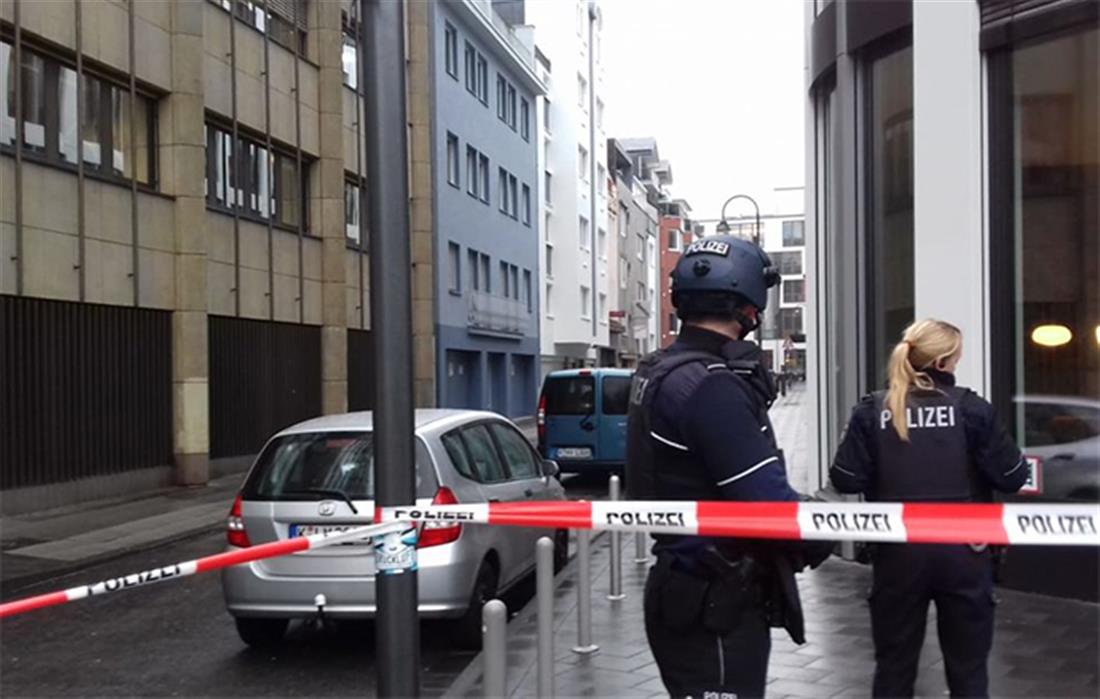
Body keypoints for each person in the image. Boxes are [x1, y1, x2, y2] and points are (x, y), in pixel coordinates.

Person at [626, 235, 832, 699]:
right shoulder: (710, 386)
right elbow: (767, 503)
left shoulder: (662, 369)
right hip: (714, 598)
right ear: (750, 304)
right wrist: (836, 529)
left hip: (685, 583)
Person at [830, 319, 1029, 698]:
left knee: (893, 669)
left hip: (897, 555)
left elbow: (845, 479)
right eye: (956, 356)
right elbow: (1012, 477)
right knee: (969, 672)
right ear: (942, 363)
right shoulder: (972, 410)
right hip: (965, 555)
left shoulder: (873, 410)